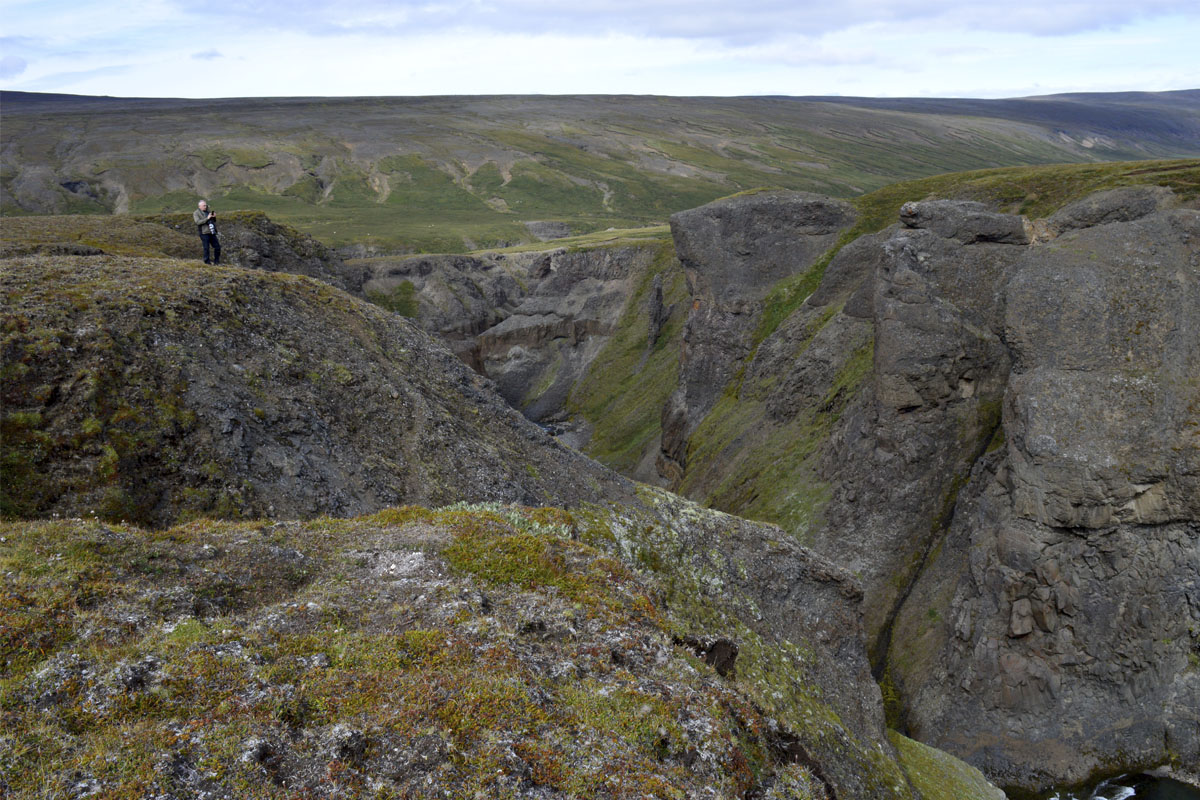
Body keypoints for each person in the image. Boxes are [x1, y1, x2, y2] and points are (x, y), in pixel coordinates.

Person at [193, 200, 221, 264]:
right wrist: (207, 218)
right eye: (204, 205)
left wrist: (214, 217)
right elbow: (198, 222)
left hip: (212, 232)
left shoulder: (208, 211)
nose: (205, 207)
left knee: (217, 247)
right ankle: (207, 262)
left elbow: (213, 221)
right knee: (206, 248)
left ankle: (216, 261)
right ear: (199, 206)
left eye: (206, 205)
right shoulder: (196, 213)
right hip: (204, 233)